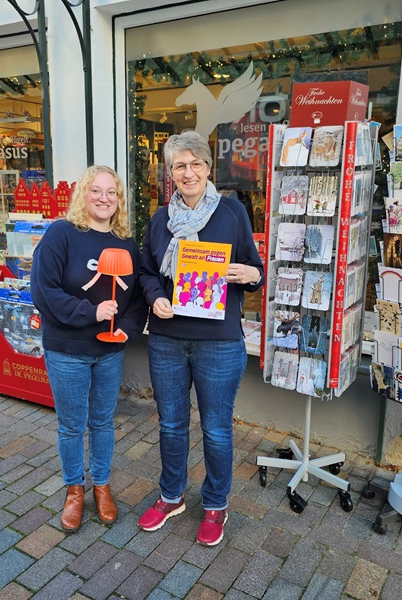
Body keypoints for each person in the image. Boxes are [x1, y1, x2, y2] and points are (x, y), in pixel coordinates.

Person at [138, 131, 264, 546]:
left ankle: (215, 504)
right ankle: (172, 495)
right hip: (167, 338)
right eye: (179, 165)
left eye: (195, 164)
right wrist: (156, 297)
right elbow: (146, 272)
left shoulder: (231, 213)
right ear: (170, 173)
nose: (188, 172)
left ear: (208, 168)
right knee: (171, 424)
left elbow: (254, 266)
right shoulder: (160, 220)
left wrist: (250, 275)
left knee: (216, 428)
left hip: (218, 340)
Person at [31, 165, 147, 533]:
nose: (104, 198)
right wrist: (91, 312)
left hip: (109, 352)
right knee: (71, 425)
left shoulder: (126, 243)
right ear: (83, 194)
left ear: (119, 200)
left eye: (111, 192)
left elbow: (137, 298)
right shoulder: (61, 235)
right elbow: (44, 291)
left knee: (102, 422)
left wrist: (125, 330)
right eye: (96, 191)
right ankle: (74, 491)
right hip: (67, 349)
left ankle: (101, 486)